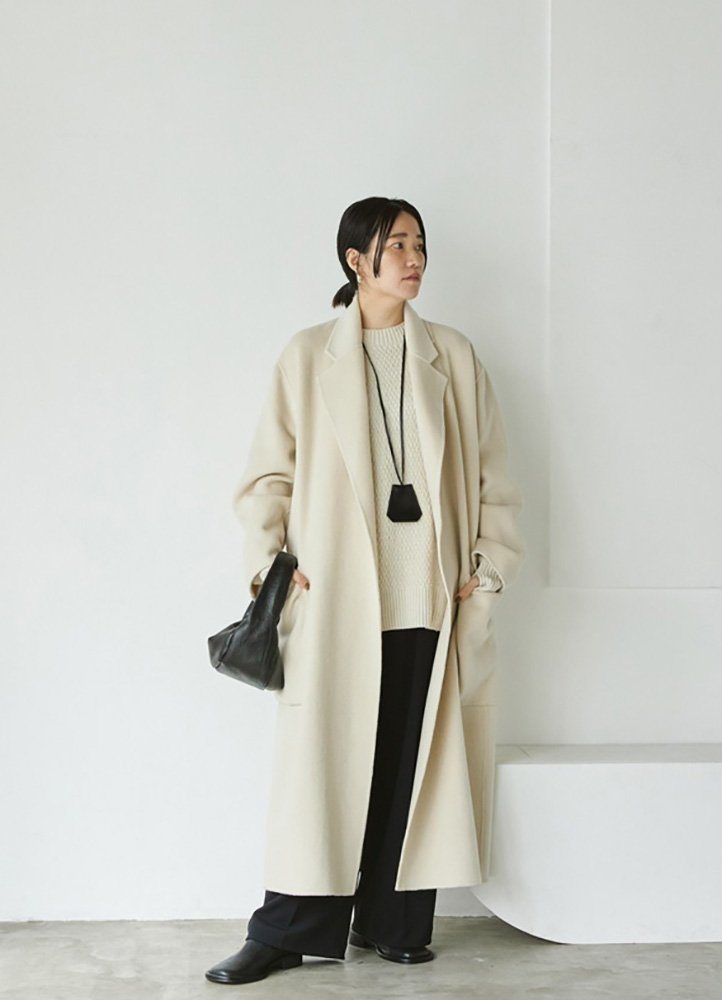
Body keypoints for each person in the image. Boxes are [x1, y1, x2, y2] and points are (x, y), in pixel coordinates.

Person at [205, 197, 526, 985]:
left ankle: (394, 921)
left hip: (433, 600)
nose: (415, 258)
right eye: (397, 245)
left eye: (420, 243)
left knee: (411, 765)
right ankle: (288, 930)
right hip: (338, 600)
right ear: (357, 260)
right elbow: (267, 476)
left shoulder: (453, 355)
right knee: (323, 769)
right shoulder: (307, 356)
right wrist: (271, 564)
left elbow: (495, 477)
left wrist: (487, 570)